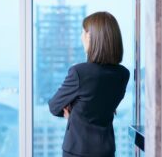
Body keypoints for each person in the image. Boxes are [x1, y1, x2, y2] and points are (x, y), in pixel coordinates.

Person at [48, 11, 130, 157]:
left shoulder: (79, 72)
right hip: (106, 150)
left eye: (83, 32)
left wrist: (72, 111)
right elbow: (103, 106)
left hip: (77, 151)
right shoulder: (123, 74)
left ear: (91, 37)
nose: (81, 37)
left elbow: (54, 106)